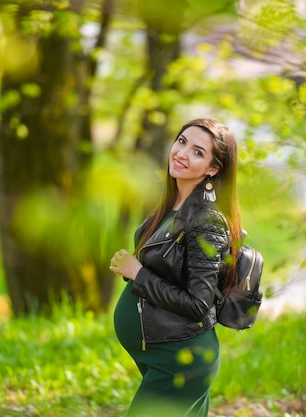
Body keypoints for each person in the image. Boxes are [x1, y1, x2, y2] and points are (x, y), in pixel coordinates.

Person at [110, 118, 242, 417]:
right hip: (164, 354)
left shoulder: (206, 221)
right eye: (182, 141)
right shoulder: (172, 208)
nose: (181, 153)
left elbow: (198, 304)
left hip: (181, 359)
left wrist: (138, 273)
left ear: (213, 169)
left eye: (198, 152)